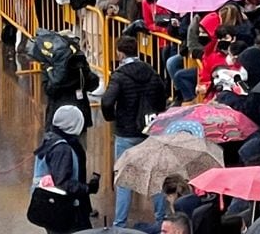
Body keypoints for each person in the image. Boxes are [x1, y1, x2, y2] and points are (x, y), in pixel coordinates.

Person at [100, 29, 171, 225]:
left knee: (124, 180)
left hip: (126, 132)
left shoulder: (119, 75)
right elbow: (161, 94)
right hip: (149, 131)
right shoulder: (151, 71)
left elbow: (107, 101)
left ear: (120, 53)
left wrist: (112, 118)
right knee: (154, 176)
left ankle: (120, 224)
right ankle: (161, 219)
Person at [30, 104, 97, 232]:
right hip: (62, 208)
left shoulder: (50, 138)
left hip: (47, 205)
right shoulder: (62, 149)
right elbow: (62, 183)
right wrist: (87, 188)